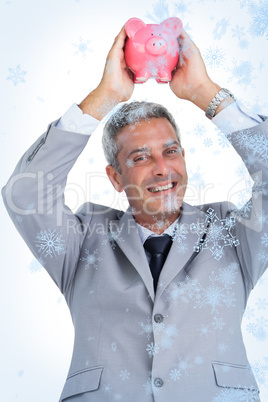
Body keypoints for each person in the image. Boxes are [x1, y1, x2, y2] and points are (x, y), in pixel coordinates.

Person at [2, 23, 267, 402]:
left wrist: (204, 93)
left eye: (170, 151)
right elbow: (25, 193)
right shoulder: (83, 240)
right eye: (141, 157)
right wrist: (105, 96)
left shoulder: (231, 232)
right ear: (115, 176)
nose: (162, 168)